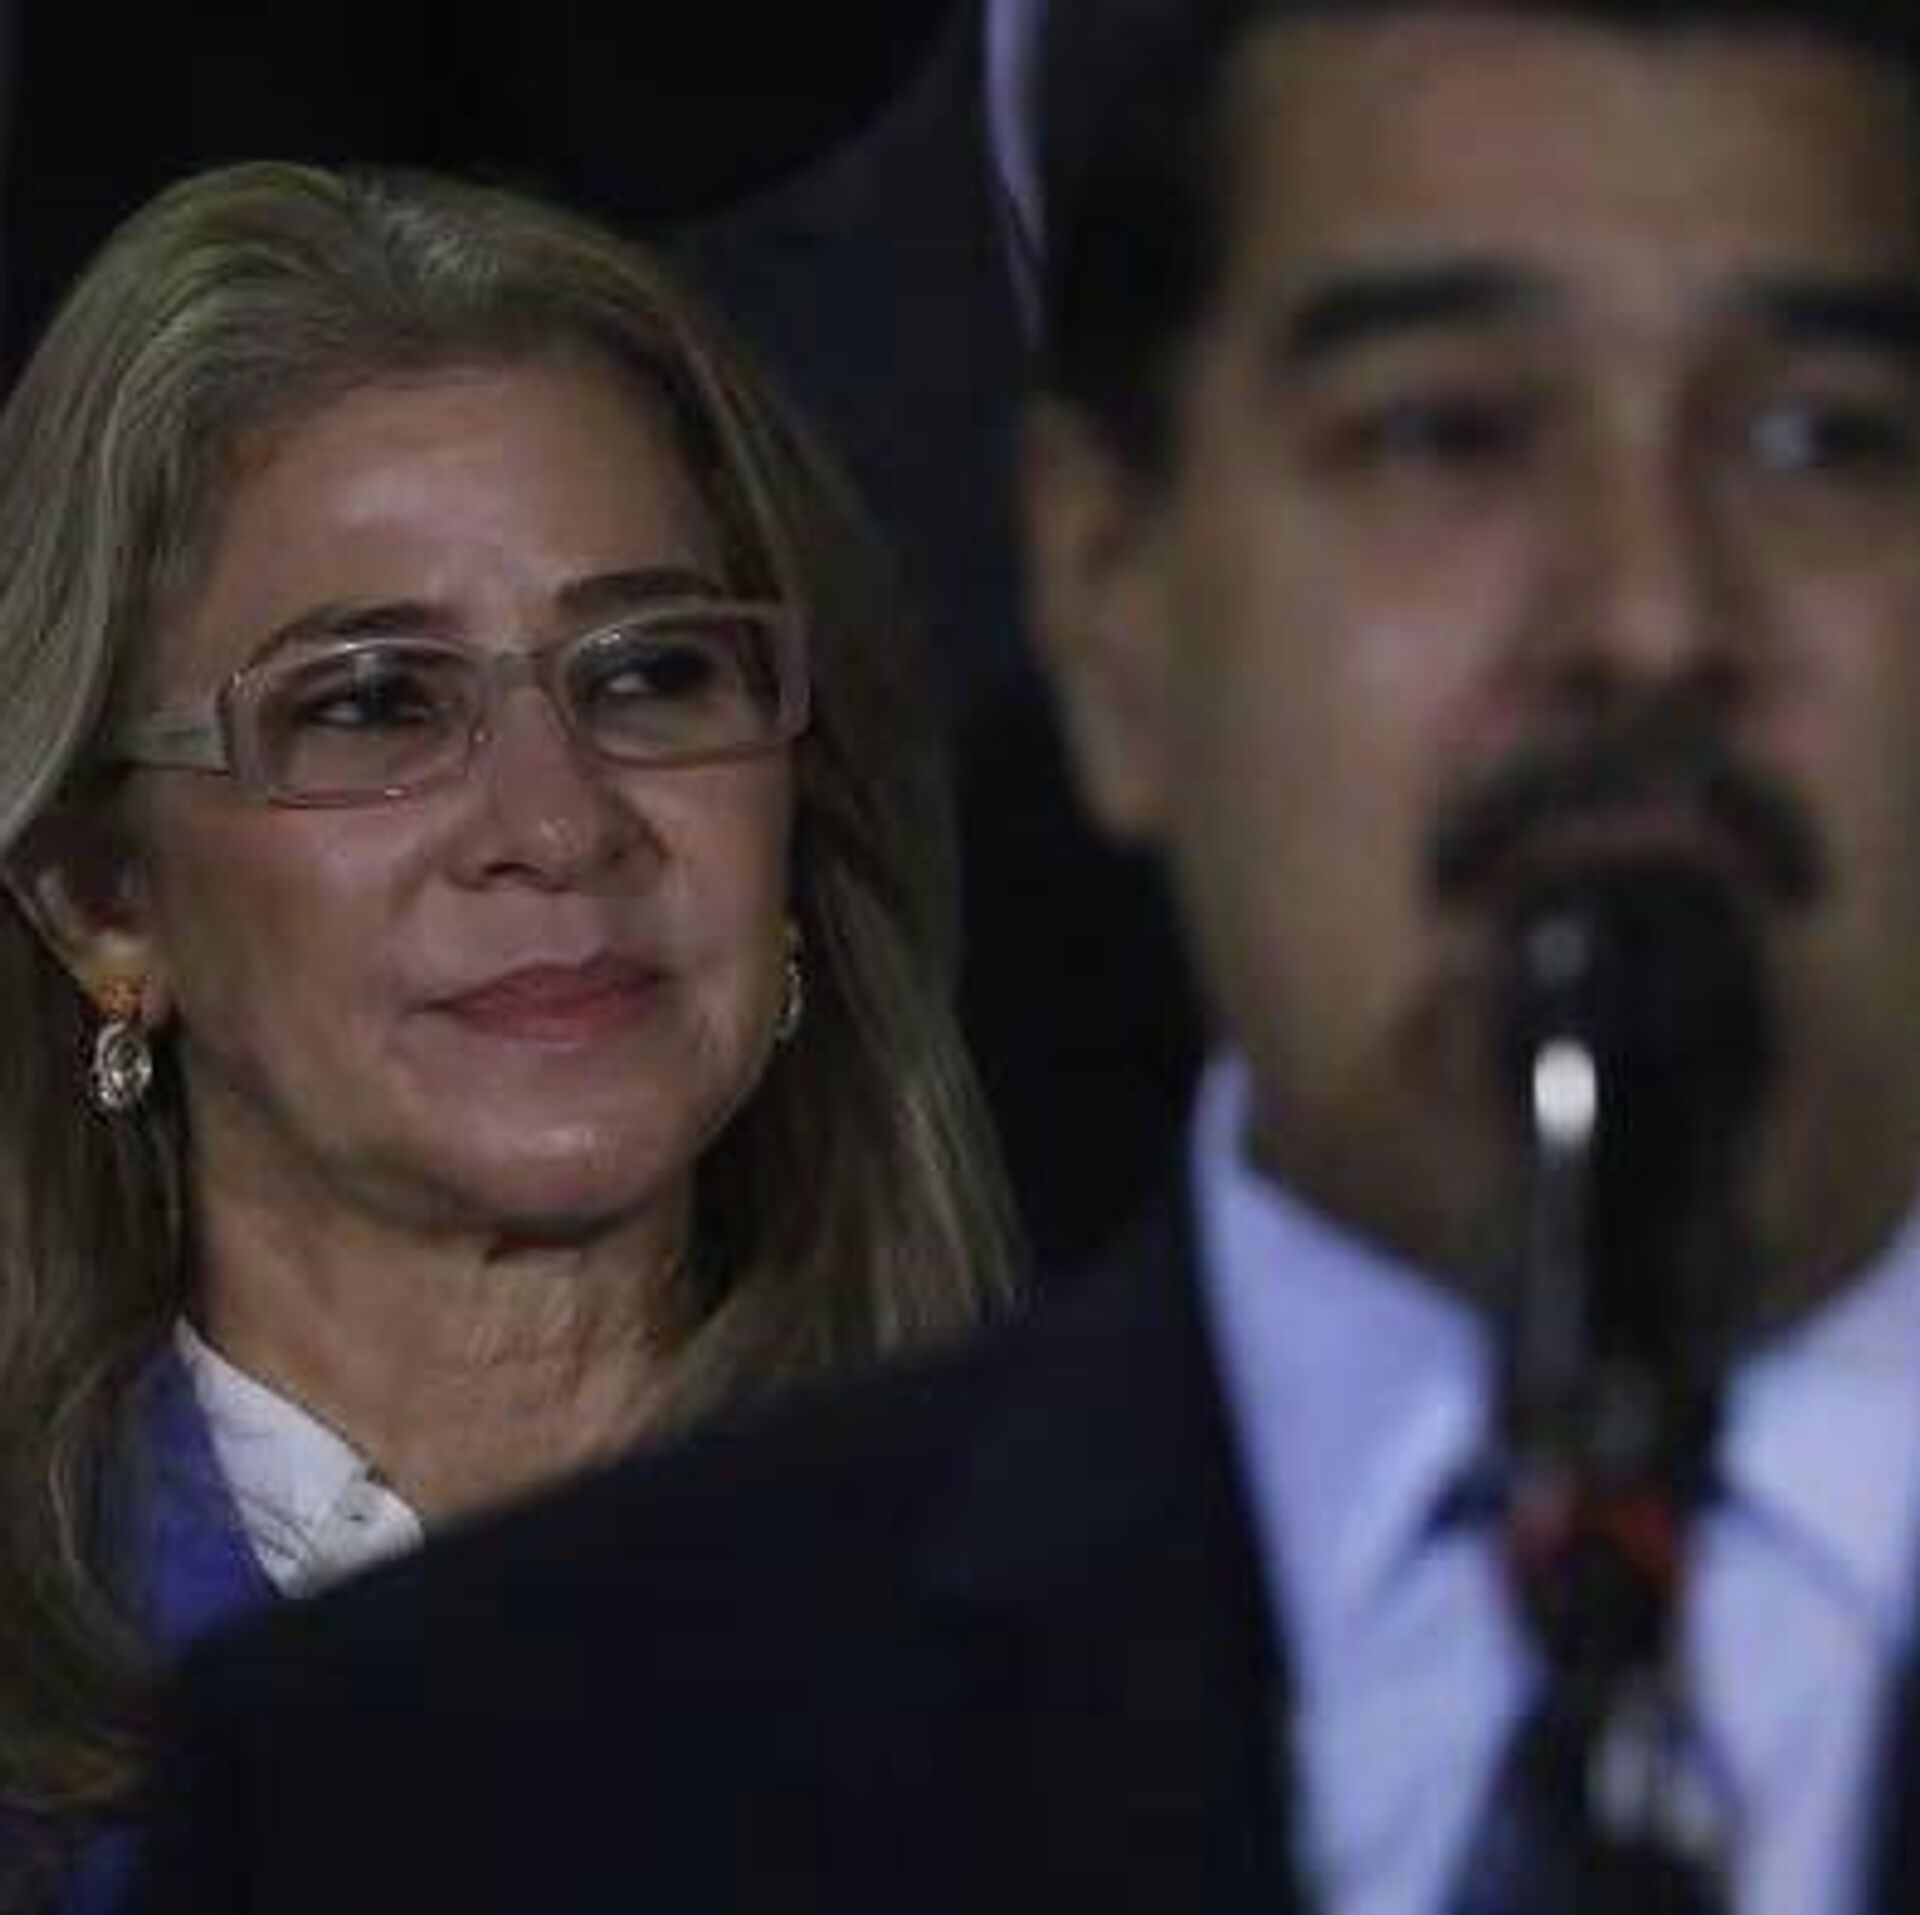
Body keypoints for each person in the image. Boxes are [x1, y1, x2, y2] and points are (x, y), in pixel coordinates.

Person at [141, 2, 1920, 1909]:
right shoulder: (425, 1793)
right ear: (1107, 598)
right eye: (1446, 434)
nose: (1648, 614)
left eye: (1821, 439)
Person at [0, 159, 1017, 1911]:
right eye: (371, 703)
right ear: (105, 897)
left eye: (652, 674)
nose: (558, 824)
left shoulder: (1124, 1624)